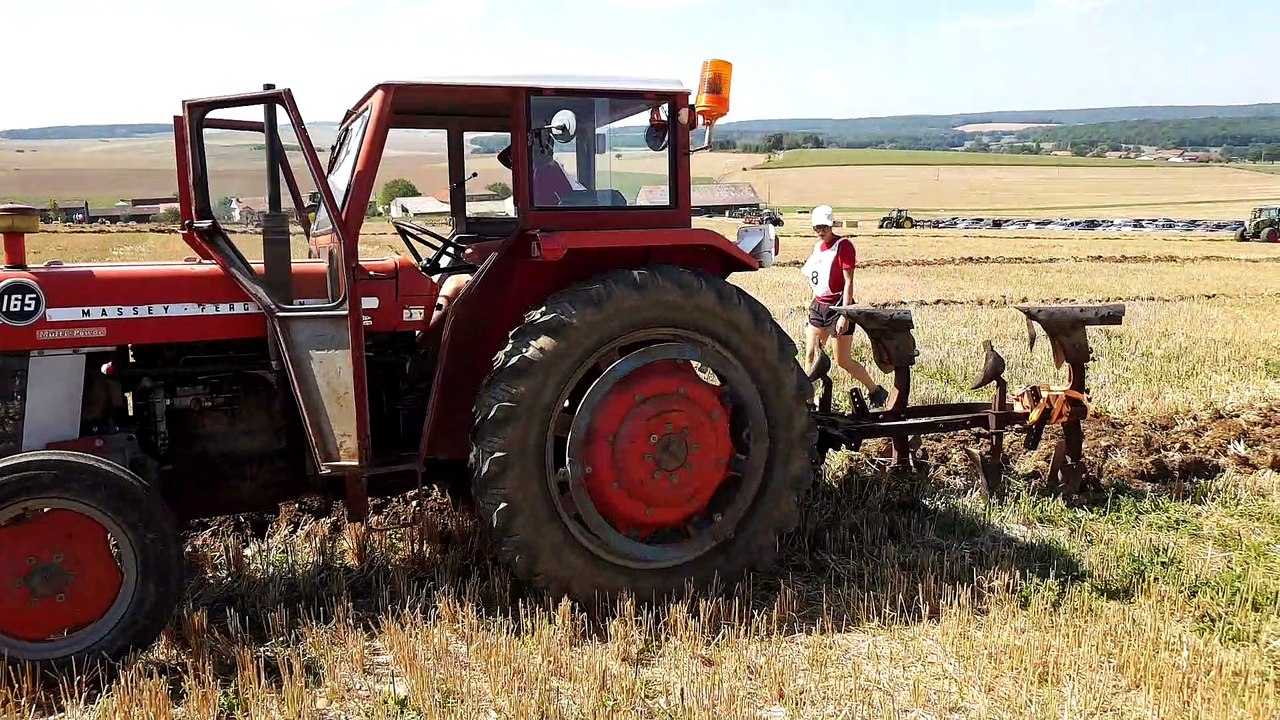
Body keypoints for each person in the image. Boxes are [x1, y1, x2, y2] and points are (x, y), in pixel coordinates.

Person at [800, 205, 889, 408]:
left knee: (843, 361)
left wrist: (845, 315)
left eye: (824, 227)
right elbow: (816, 279)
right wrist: (812, 301)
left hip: (838, 307)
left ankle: (875, 390)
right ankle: (808, 402)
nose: (820, 232)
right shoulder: (817, 248)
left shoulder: (844, 246)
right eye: (817, 228)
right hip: (818, 307)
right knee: (811, 354)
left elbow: (848, 282)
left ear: (831, 225)